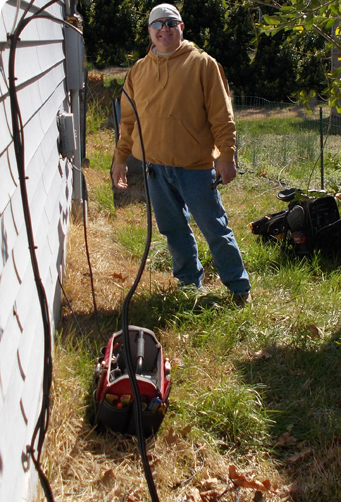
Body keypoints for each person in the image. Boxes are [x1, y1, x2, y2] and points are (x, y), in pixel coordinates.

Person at [111, 3, 251, 305]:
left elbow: (221, 116)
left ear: (181, 27)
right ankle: (189, 285)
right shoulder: (138, 71)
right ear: (149, 31)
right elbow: (127, 121)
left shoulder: (203, 64)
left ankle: (239, 289)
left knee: (214, 228)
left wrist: (226, 156)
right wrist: (120, 158)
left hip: (195, 167)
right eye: (157, 24)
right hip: (155, 169)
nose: (164, 28)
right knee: (173, 229)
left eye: (171, 23)